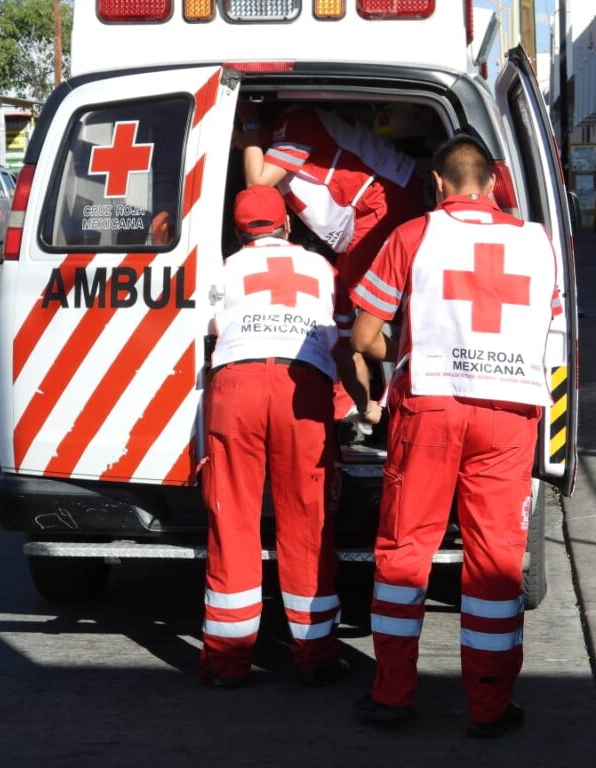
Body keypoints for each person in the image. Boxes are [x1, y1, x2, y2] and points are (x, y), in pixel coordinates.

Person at [348, 136, 566, 737]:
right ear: (493, 184)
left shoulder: (414, 236)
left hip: (432, 409)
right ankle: (490, 707)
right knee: (495, 561)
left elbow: (366, 336)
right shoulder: (538, 242)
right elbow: (550, 330)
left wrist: (415, 346)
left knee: (405, 551)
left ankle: (393, 696)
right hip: (509, 413)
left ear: (439, 185)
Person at [199, 185, 375, 689]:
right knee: (307, 522)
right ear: (288, 226)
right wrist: (362, 405)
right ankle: (316, 657)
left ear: (238, 232)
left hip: (237, 386)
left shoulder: (224, 268)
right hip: (303, 389)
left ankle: (227, 662)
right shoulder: (323, 270)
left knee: (231, 519)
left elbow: (205, 333)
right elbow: (344, 348)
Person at [238, 104, 427, 430]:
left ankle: (350, 403)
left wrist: (251, 130)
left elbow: (257, 183)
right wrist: (248, 137)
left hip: (382, 205)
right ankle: (376, 385)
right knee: (349, 309)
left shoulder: (294, 125)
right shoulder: (294, 123)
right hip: (375, 206)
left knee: (347, 316)